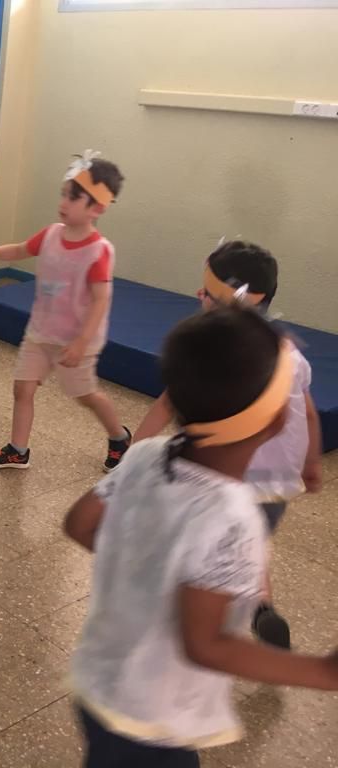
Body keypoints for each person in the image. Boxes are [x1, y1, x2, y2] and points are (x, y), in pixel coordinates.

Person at [64, 305, 338, 767]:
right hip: (153, 719)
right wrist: (324, 672)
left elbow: (79, 524)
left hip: (95, 679)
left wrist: (143, 570)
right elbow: (205, 644)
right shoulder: (234, 517)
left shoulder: (146, 455)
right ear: (276, 420)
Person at [133, 240, 322, 649]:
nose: (197, 296)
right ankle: (261, 606)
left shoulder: (209, 351)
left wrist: (135, 451)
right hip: (276, 486)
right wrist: (311, 464)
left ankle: (186, 617)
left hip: (225, 480)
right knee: (250, 540)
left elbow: (167, 404)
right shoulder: (289, 352)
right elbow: (308, 413)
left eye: (206, 293)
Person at [0, 151, 131, 472]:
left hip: (75, 342)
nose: (64, 202)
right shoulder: (51, 233)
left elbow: (101, 300)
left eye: (73, 197)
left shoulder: (98, 251)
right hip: (41, 333)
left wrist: (81, 342)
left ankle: (119, 437)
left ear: (97, 208)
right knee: (23, 388)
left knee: (85, 396)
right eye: (63, 194)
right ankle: (18, 450)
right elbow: (21, 249)